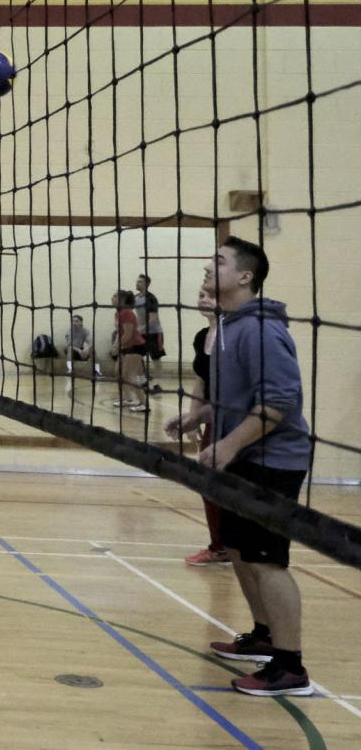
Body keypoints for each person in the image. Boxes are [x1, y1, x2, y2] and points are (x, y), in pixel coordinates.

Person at [170, 237, 314, 697]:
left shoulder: (262, 329)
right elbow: (235, 398)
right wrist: (200, 415)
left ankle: (290, 668)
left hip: (272, 460)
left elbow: (278, 400)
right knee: (237, 548)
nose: (208, 268)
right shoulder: (230, 327)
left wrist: (229, 445)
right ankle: (264, 636)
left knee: (267, 560)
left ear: (245, 276)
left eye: (219, 261)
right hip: (244, 456)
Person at [167, 282, 229, 567]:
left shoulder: (234, 335)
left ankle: (233, 546)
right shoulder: (202, 336)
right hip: (212, 418)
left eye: (211, 296)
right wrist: (193, 418)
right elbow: (200, 380)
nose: (204, 300)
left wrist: (199, 416)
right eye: (201, 294)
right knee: (209, 483)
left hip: (235, 419)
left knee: (228, 484)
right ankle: (220, 547)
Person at [110, 290, 149, 412]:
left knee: (130, 375)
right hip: (125, 346)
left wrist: (116, 346)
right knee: (119, 372)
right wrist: (116, 344)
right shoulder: (118, 313)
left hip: (135, 346)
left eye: (115, 296)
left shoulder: (127, 313)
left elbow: (128, 334)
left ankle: (144, 404)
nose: (112, 297)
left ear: (122, 300)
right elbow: (120, 333)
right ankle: (127, 399)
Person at [136, 273, 165, 393]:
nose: (137, 283)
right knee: (137, 357)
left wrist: (141, 329)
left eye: (140, 282)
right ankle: (143, 381)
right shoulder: (136, 298)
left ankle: (158, 385)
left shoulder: (151, 298)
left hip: (154, 332)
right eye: (137, 281)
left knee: (156, 359)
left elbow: (153, 319)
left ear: (147, 284)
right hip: (141, 332)